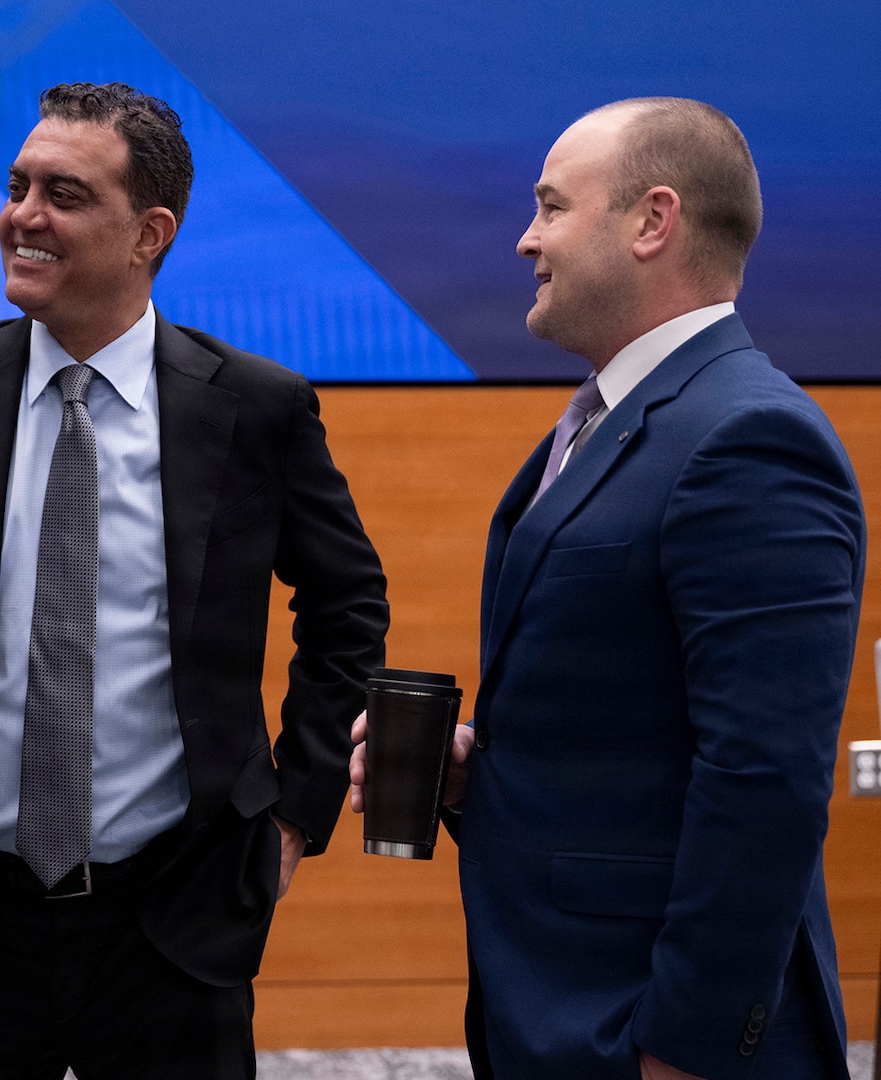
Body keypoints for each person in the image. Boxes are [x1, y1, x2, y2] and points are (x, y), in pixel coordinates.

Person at [0, 82, 388, 1078]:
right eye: (18, 186)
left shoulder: (254, 410)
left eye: (66, 195)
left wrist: (293, 814)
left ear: (150, 233)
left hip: (173, 925)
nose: (24, 216)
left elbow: (347, 605)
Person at [350, 98, 865, 1079]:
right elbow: (631, 727)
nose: (524, 238)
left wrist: (683, 1049)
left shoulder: (751, 438)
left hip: (651, 1034)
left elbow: (764, 782)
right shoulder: (606, 419)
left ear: (651, 221)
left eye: (551, 206)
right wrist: (476, 779)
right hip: (560, 1009)